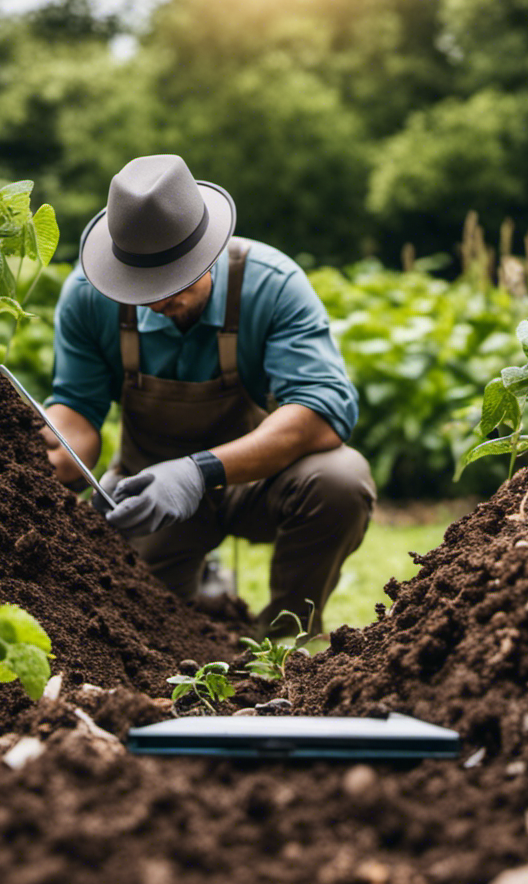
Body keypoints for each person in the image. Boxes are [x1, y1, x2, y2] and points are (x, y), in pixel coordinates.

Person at [41, 154, 376, 636]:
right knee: (147, 637)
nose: (157, 300)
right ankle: (199, 621)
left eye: (172, 279)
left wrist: (197, 473)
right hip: (150, 490)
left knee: (340, 480)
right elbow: (77, 409)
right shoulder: (88, 297)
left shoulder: (272, 285)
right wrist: (43, 456)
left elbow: (321, 412)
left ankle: (279, 644)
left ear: (207, 250)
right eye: (140, 284)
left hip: (254, 481)